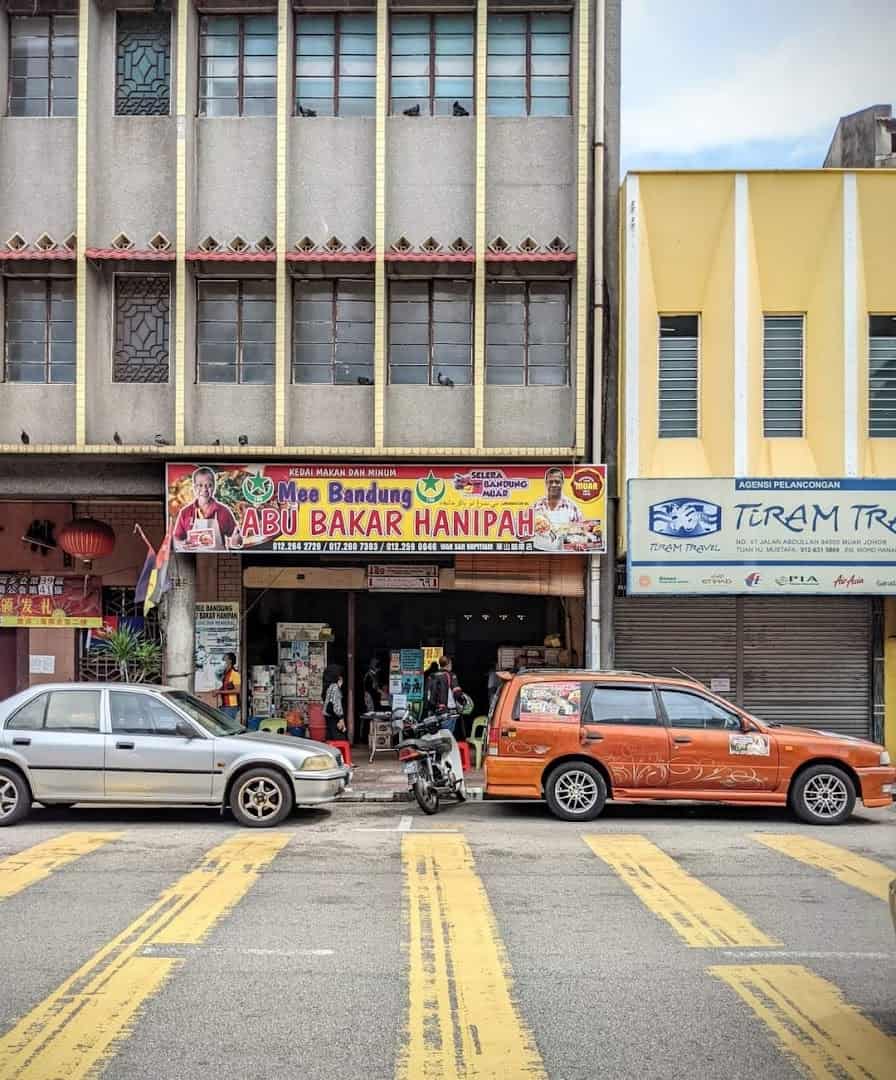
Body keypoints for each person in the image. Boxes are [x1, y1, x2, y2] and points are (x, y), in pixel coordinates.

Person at [173, 467, 242, 552]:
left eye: (209, 485)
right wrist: (181, 545)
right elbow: (176, 540)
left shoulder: (224, 511)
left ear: (214, 487)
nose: (204, 489)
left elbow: (237, 541)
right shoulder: (185, 512)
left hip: (219, 559)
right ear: (194, 487)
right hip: (192, 560)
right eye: (200, 485)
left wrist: (237, 539)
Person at [427, 655, 465, 735]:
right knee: (447, 737)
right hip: (448, 712)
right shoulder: (451, 675)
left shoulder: (432, 676)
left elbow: (428, 694)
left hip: (435, 712)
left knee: (437, 736)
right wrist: (463, 702)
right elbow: (457, 692)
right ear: (449, 664)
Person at [215, 653, 241, 723]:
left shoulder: (235, 674)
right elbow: (226, 686)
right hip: (225, 705)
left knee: (227, 725)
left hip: (231, 706)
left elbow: (237, 690)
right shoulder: (226, 673)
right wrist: (218, 690)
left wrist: (220, 692)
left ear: (230, 661)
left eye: (224, 659)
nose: (222, 660)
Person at [324, 674, 347, 741]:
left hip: (328, 714)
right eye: (341, 680)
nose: (342, 683)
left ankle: (329, 748)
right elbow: (337, 704)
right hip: (335, 714)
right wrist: (341, 717)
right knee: (338, 735)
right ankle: (337, 750)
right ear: (339, 681)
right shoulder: (336, 688)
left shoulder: (330, 687)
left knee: (330, 734)